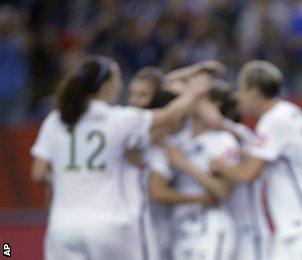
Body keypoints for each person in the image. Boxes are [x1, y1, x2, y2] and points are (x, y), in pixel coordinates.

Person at [30, 55, 209, 260]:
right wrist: (193, 93)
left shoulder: (56, 120)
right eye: (117, 79)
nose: (120, 85)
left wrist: (65, 183)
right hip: (108, 225)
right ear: (105, 85)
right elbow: (167, 115)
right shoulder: (117, 119)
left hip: (62, 227)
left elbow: (38, 174)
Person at [210, 60, 302, 259]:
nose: (238, 97)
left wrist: (220, 166)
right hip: (292, 229)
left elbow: (248, 173)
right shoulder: (288, 112)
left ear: (254, 92)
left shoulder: (274, 120)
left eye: (241, 90)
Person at [162, 81, 240, 260]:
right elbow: (165, 85)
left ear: (213, 104)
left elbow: (223, 191)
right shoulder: (178, 138)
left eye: (196, 98)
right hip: (180, 227)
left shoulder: (223, 140)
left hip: (209, 227)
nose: (188, 101)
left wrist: (185, 165)